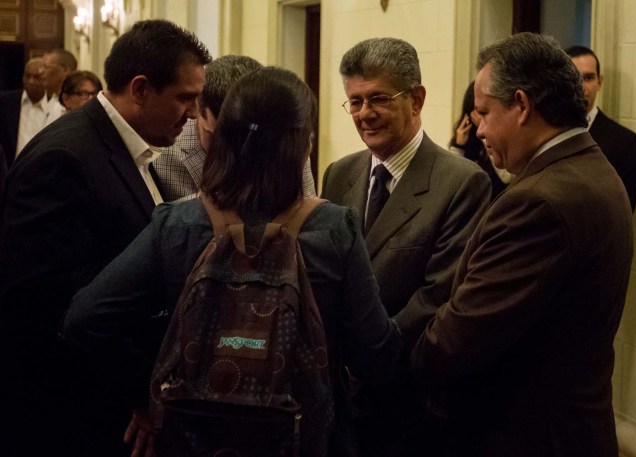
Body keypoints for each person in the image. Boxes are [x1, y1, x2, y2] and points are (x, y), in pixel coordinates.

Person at [62, 66, 404, 457]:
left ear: (224, 136)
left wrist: (148, 392)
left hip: (193, 437)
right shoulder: (333, 229)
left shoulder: (178, 224)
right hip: (301, 438)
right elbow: (377, 355)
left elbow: (84, 322)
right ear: (302, 145)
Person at [412, 32, 632, 457]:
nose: (478, 130)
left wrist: (406, 360)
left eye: (483, 113)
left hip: (529, 436)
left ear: (522, 105)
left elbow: (458, 339)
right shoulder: (588, 166)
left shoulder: (541, 200)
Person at [0, 19, 211, 457]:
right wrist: (142, 391)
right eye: (184, 99)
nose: (192, 114)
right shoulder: (65, 159)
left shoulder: (126, 146)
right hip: (72, 415)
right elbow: (45, 307)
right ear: (139, 89)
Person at [321, 37, 491, 457]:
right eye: (355, 101)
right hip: (338, 403)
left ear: (416, 99)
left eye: (377, 98)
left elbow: (438, 297)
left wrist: (367, 362)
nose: (364, 114)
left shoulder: (462, 182)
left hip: (406, 407)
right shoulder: (339, 174)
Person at [155, 55, 318, 202]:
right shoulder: (162, 151)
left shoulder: (286, 146)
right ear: (198, 110)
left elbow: (307, 214)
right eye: (220, 137)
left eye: (247, 135)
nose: (234, 150)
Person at [565, 45, 636, 211]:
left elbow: (623, 211)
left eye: (589, 78)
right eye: (574, 78)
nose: (581, 87)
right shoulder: (545, 133)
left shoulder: (626, 143)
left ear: (599, 82)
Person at [450, 81, 512, 199]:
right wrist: (458, 146)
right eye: (478, 112)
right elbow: (452, 182)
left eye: (485, 112)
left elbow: (506, 177)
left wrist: (487, 134)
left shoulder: (501, 136)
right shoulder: (465, 138)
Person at [0, 57, 46, 168]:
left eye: (37, 77)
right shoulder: (5, 102)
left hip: (42, 171)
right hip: (10, 171)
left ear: (47, 79)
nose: (31, 81)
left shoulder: (55, 107)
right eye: (27, 76)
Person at [41, 48, 77, 125]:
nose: (40, 71)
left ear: (64, 70)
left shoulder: (75, 103)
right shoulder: (52, 101)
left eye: (46, 67)